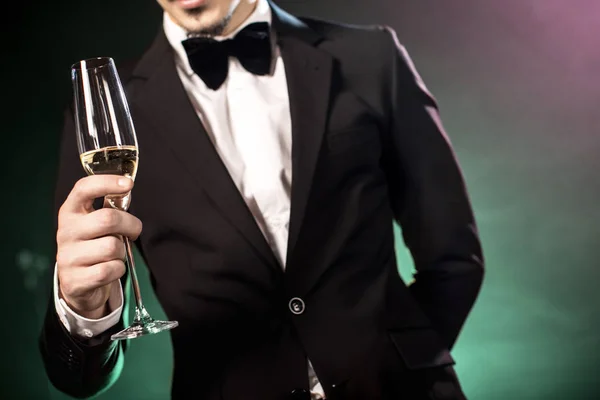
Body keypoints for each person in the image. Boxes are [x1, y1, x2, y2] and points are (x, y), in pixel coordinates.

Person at [39, 0, 484, 399]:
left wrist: (404, 366)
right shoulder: (110, 115)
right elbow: (78, 380)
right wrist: (82, 313)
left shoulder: (370, 56)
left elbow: (455, 258)